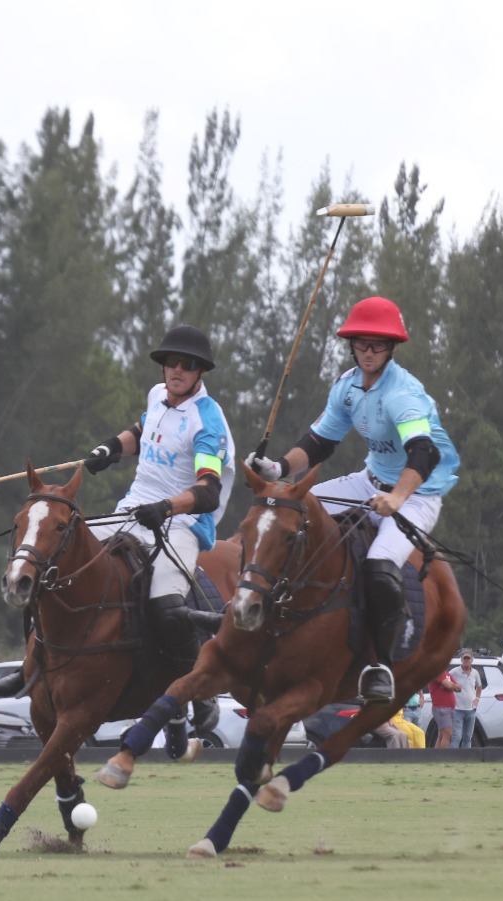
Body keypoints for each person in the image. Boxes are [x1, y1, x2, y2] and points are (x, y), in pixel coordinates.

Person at [248, 296, 459, 703]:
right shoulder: (347, 387)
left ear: (391, 348)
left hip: (417, 494)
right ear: (352, 344)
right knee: (283, 512)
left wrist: (397, 497)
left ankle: (379, 664)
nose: (368, 351)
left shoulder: (403, 393)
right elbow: (318, 442)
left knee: (380, 566)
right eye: (361, 343)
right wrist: (276, 469)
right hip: (369, 481)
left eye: (377, 344)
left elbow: (424, 452)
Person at [74, 324, 234, 736]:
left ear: (200, 372)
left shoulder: (207, 421)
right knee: (70, 557)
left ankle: (199, 691)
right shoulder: (157, 396)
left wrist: (165, 507)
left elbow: (208, 490)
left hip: (180, 521)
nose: (176, 370)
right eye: (170, 362)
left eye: (187, 364)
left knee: (166, 603)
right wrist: (110, 448)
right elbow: (142, 431)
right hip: (132, 508)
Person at [450, 650, 484, 748]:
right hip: (457, 710)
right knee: (457, 736)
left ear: (472, 660)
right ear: (461, 659)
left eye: (468, 658)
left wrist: (477, 698)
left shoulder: (475, 673)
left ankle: (466, 758)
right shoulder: (454, 672)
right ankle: (453, 758)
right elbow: (446, 682)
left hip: (471, 710)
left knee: (468, 736)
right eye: (464, 658)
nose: (466, 660)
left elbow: (479, 687)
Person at [428, 670, 458, 748]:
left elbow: (459, 688)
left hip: (450, 708)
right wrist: (451, 685)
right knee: (448, 733)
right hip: (441, 707)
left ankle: (438, 757)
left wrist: (451, 685)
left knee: (442, 735)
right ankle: (445, 757)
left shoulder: (447, 674)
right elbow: (448, 686)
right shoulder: (438, 672)